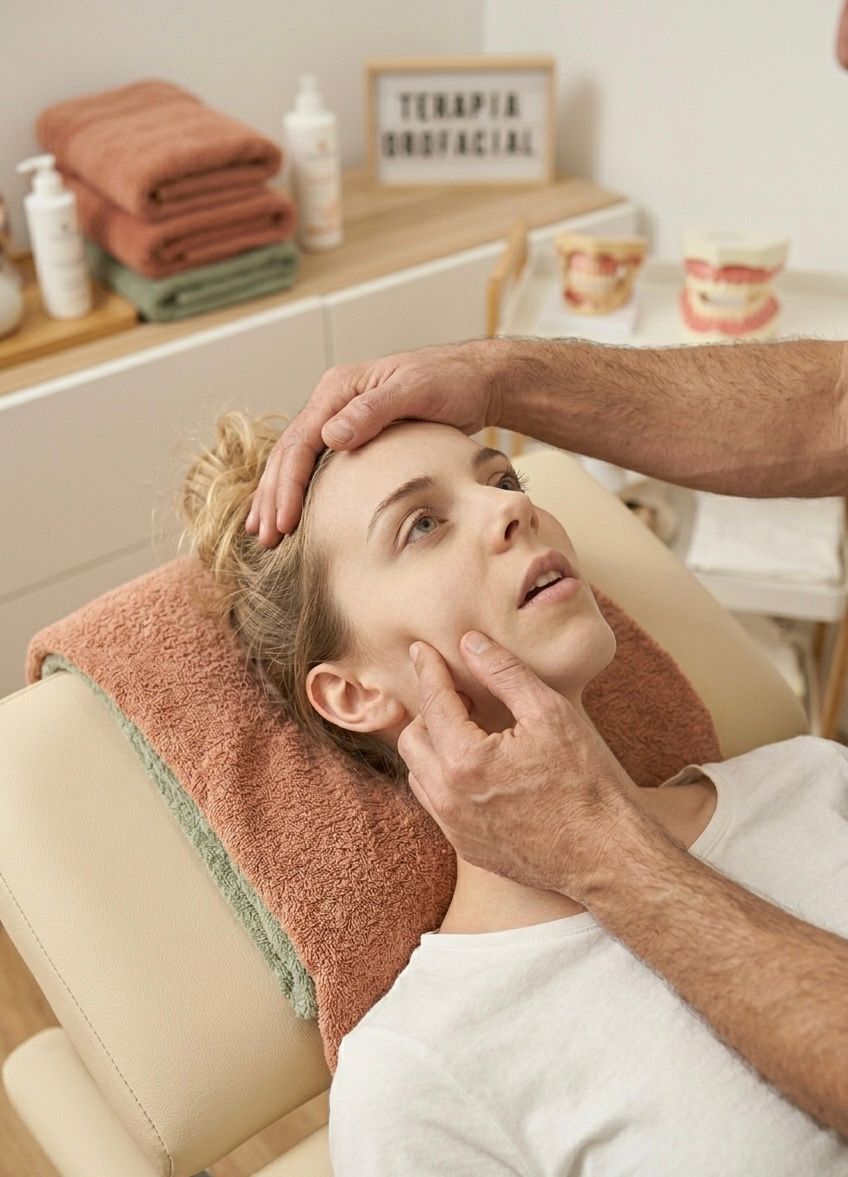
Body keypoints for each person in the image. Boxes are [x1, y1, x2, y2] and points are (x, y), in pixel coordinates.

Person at [187, 410, 848, 1172]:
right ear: (353, 693)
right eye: (421, 524)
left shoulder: (814, 781)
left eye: (502, 478)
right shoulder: (419, 1070)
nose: (511, 507)